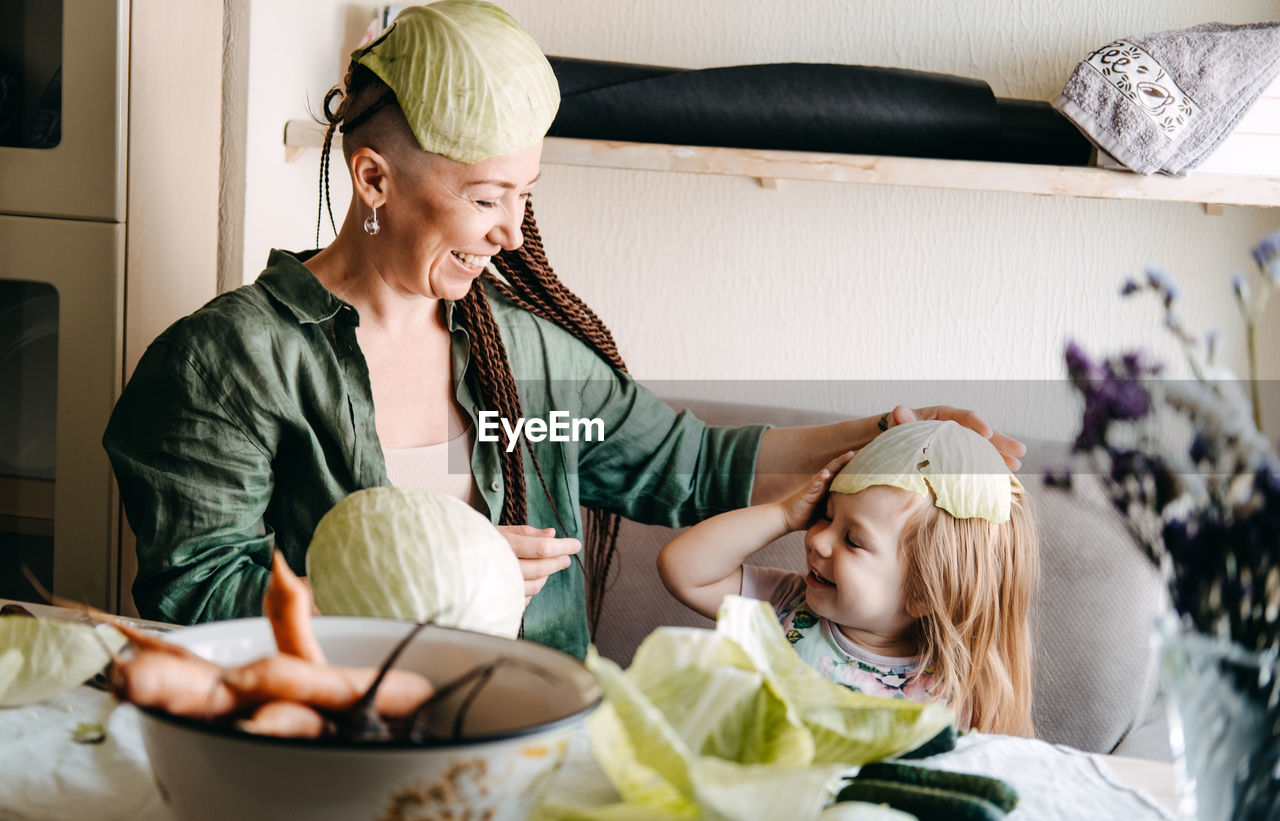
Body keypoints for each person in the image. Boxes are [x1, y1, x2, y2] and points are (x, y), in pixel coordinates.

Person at [102, 1, 1024, 660]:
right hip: (330, 749)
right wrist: (443, 578)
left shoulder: (523, 353)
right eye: (485, 198)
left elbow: (694, 466)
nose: (512, 232)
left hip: (545, 736)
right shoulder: (224, 365)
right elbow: (198, 602)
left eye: (526, 196)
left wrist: (884, 435)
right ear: (374, 180)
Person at [658, 420, 1039, 735]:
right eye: (825, 515)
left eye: (853, 540)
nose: (819, 540)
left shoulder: (951, 694)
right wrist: (784, 515)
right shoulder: (785, 606)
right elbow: (683, 570)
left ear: (924, 593)